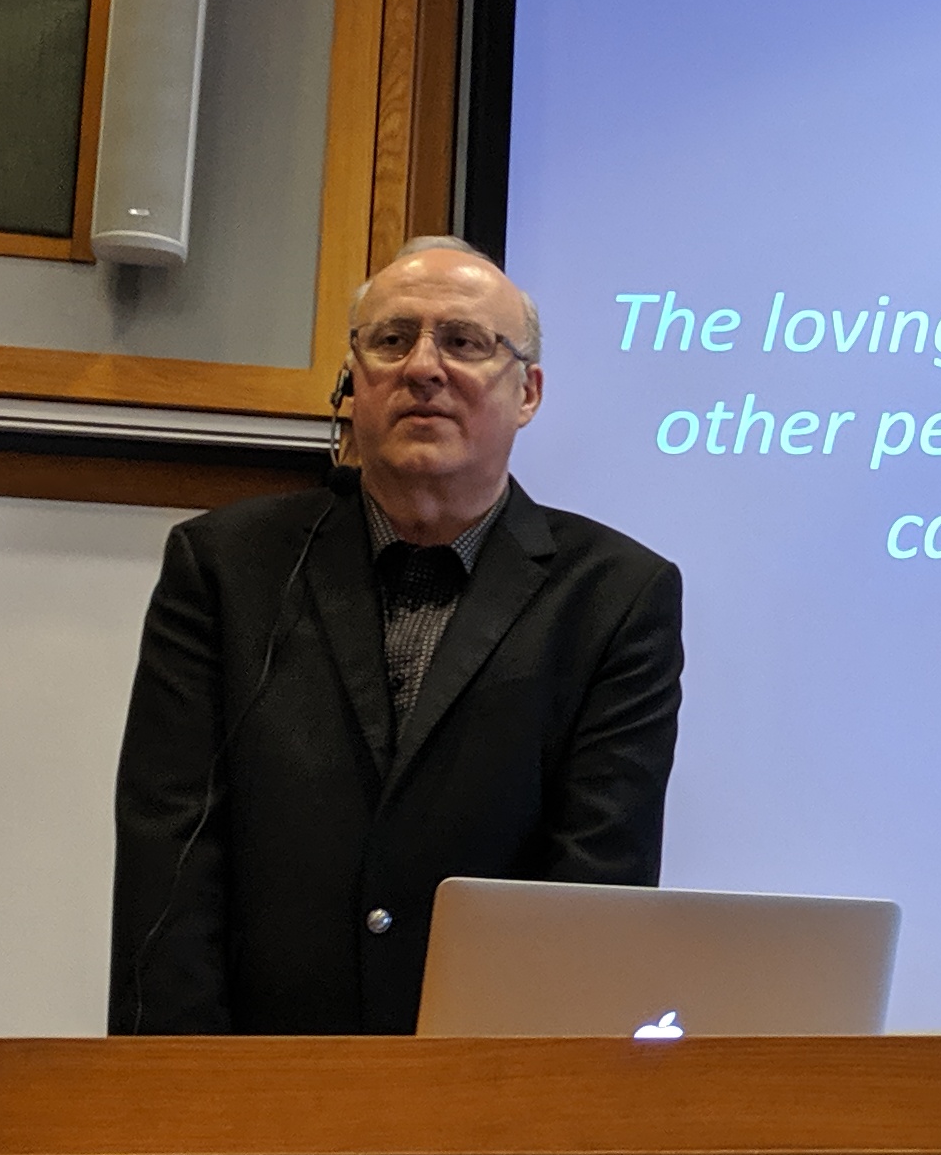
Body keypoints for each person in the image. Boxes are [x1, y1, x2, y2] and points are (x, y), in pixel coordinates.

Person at [109, 236, 681, 1033]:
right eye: (392, 339)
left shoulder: (616, 596)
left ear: (527, 392)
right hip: (256, 1073)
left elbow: (596, 885)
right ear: (353, 379)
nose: (423, 368)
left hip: (488, 1075)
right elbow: (169, 859)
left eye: (465, 342)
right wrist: (173, 1090)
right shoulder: (224, 569)